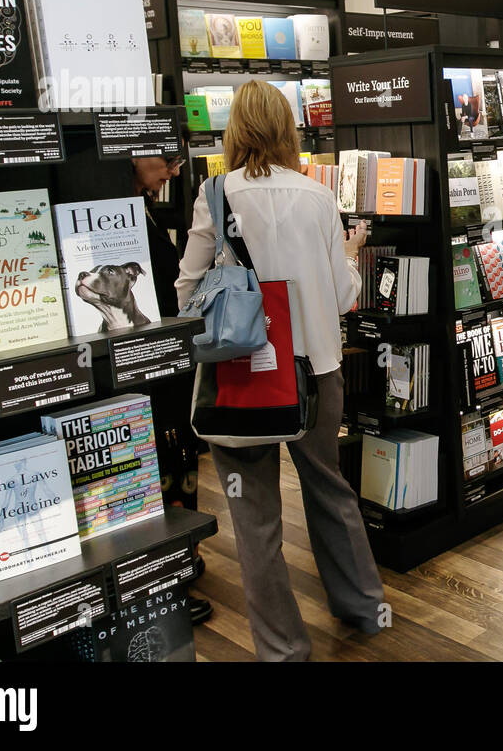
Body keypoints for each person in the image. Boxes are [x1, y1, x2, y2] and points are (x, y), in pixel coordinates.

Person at [175, 80, 384, 661]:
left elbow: (186, 293)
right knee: (329, 490)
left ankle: (282, 648)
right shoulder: (316, 197)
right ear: (288, 129)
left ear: (235, 129)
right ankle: (364, 607)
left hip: (239, 379)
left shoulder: (213, 194)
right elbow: (343, 297)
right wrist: (347, 255)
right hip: (315, 373)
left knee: (254, 518)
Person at [132, 152, 214, 628]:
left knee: (178, 460)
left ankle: (180, 561)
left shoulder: (142, 208)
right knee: (163, 466)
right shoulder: (116, 213)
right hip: (150, 373)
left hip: (166, 366)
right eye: (164, 158)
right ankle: (165, 577)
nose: (175, 171)